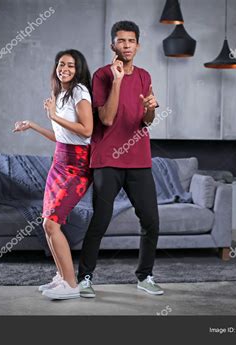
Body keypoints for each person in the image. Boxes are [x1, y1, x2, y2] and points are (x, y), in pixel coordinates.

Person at [77, 21, 164, 297]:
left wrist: (150, 109)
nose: (126, 45)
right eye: (121, 41)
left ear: (138, 45)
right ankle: (85, 278)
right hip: (107, 160)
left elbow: (146, 121)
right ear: (112, 45)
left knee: (151, 220)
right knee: (100, 220)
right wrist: (117, 80)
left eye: (131, 41)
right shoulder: (102, 76)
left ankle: (145, 276)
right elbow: (106, 118)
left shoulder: (145, 76)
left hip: (139, 159)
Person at [13, 49, 93, 300]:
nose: (64, 69)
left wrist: (54, 116)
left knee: (52, 223)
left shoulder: (80, 91)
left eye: (70, 65)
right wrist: (34, 125)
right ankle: (61, 276)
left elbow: (86, 130)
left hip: (77, 165)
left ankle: (71, 285)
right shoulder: (57, 95)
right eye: (61, 64)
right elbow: (61, 137)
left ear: (78, 69)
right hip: (58, 161)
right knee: (47, 223)